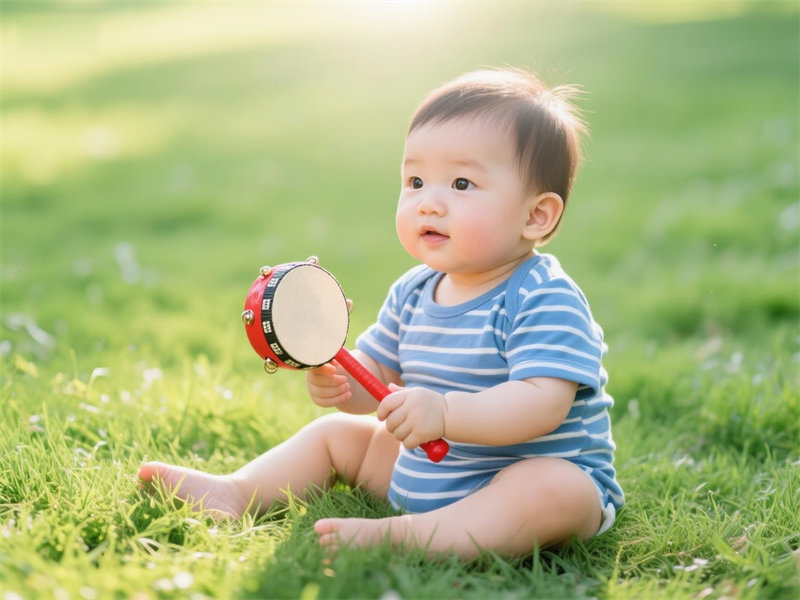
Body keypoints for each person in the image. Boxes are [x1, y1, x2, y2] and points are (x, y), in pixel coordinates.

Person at [137, 68, 624, 559]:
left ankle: (409, 538)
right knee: (336, 437)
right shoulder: (413, 291)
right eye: (415, 181)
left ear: (535, 215)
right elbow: (377, 375)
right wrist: (341, 382)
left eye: (461, 183)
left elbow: (541, 404)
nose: (428, 203)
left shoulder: (542, 296)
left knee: (554, 489)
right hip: (429, 469)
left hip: (516, 477)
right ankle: (237, 492)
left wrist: (446, 413)